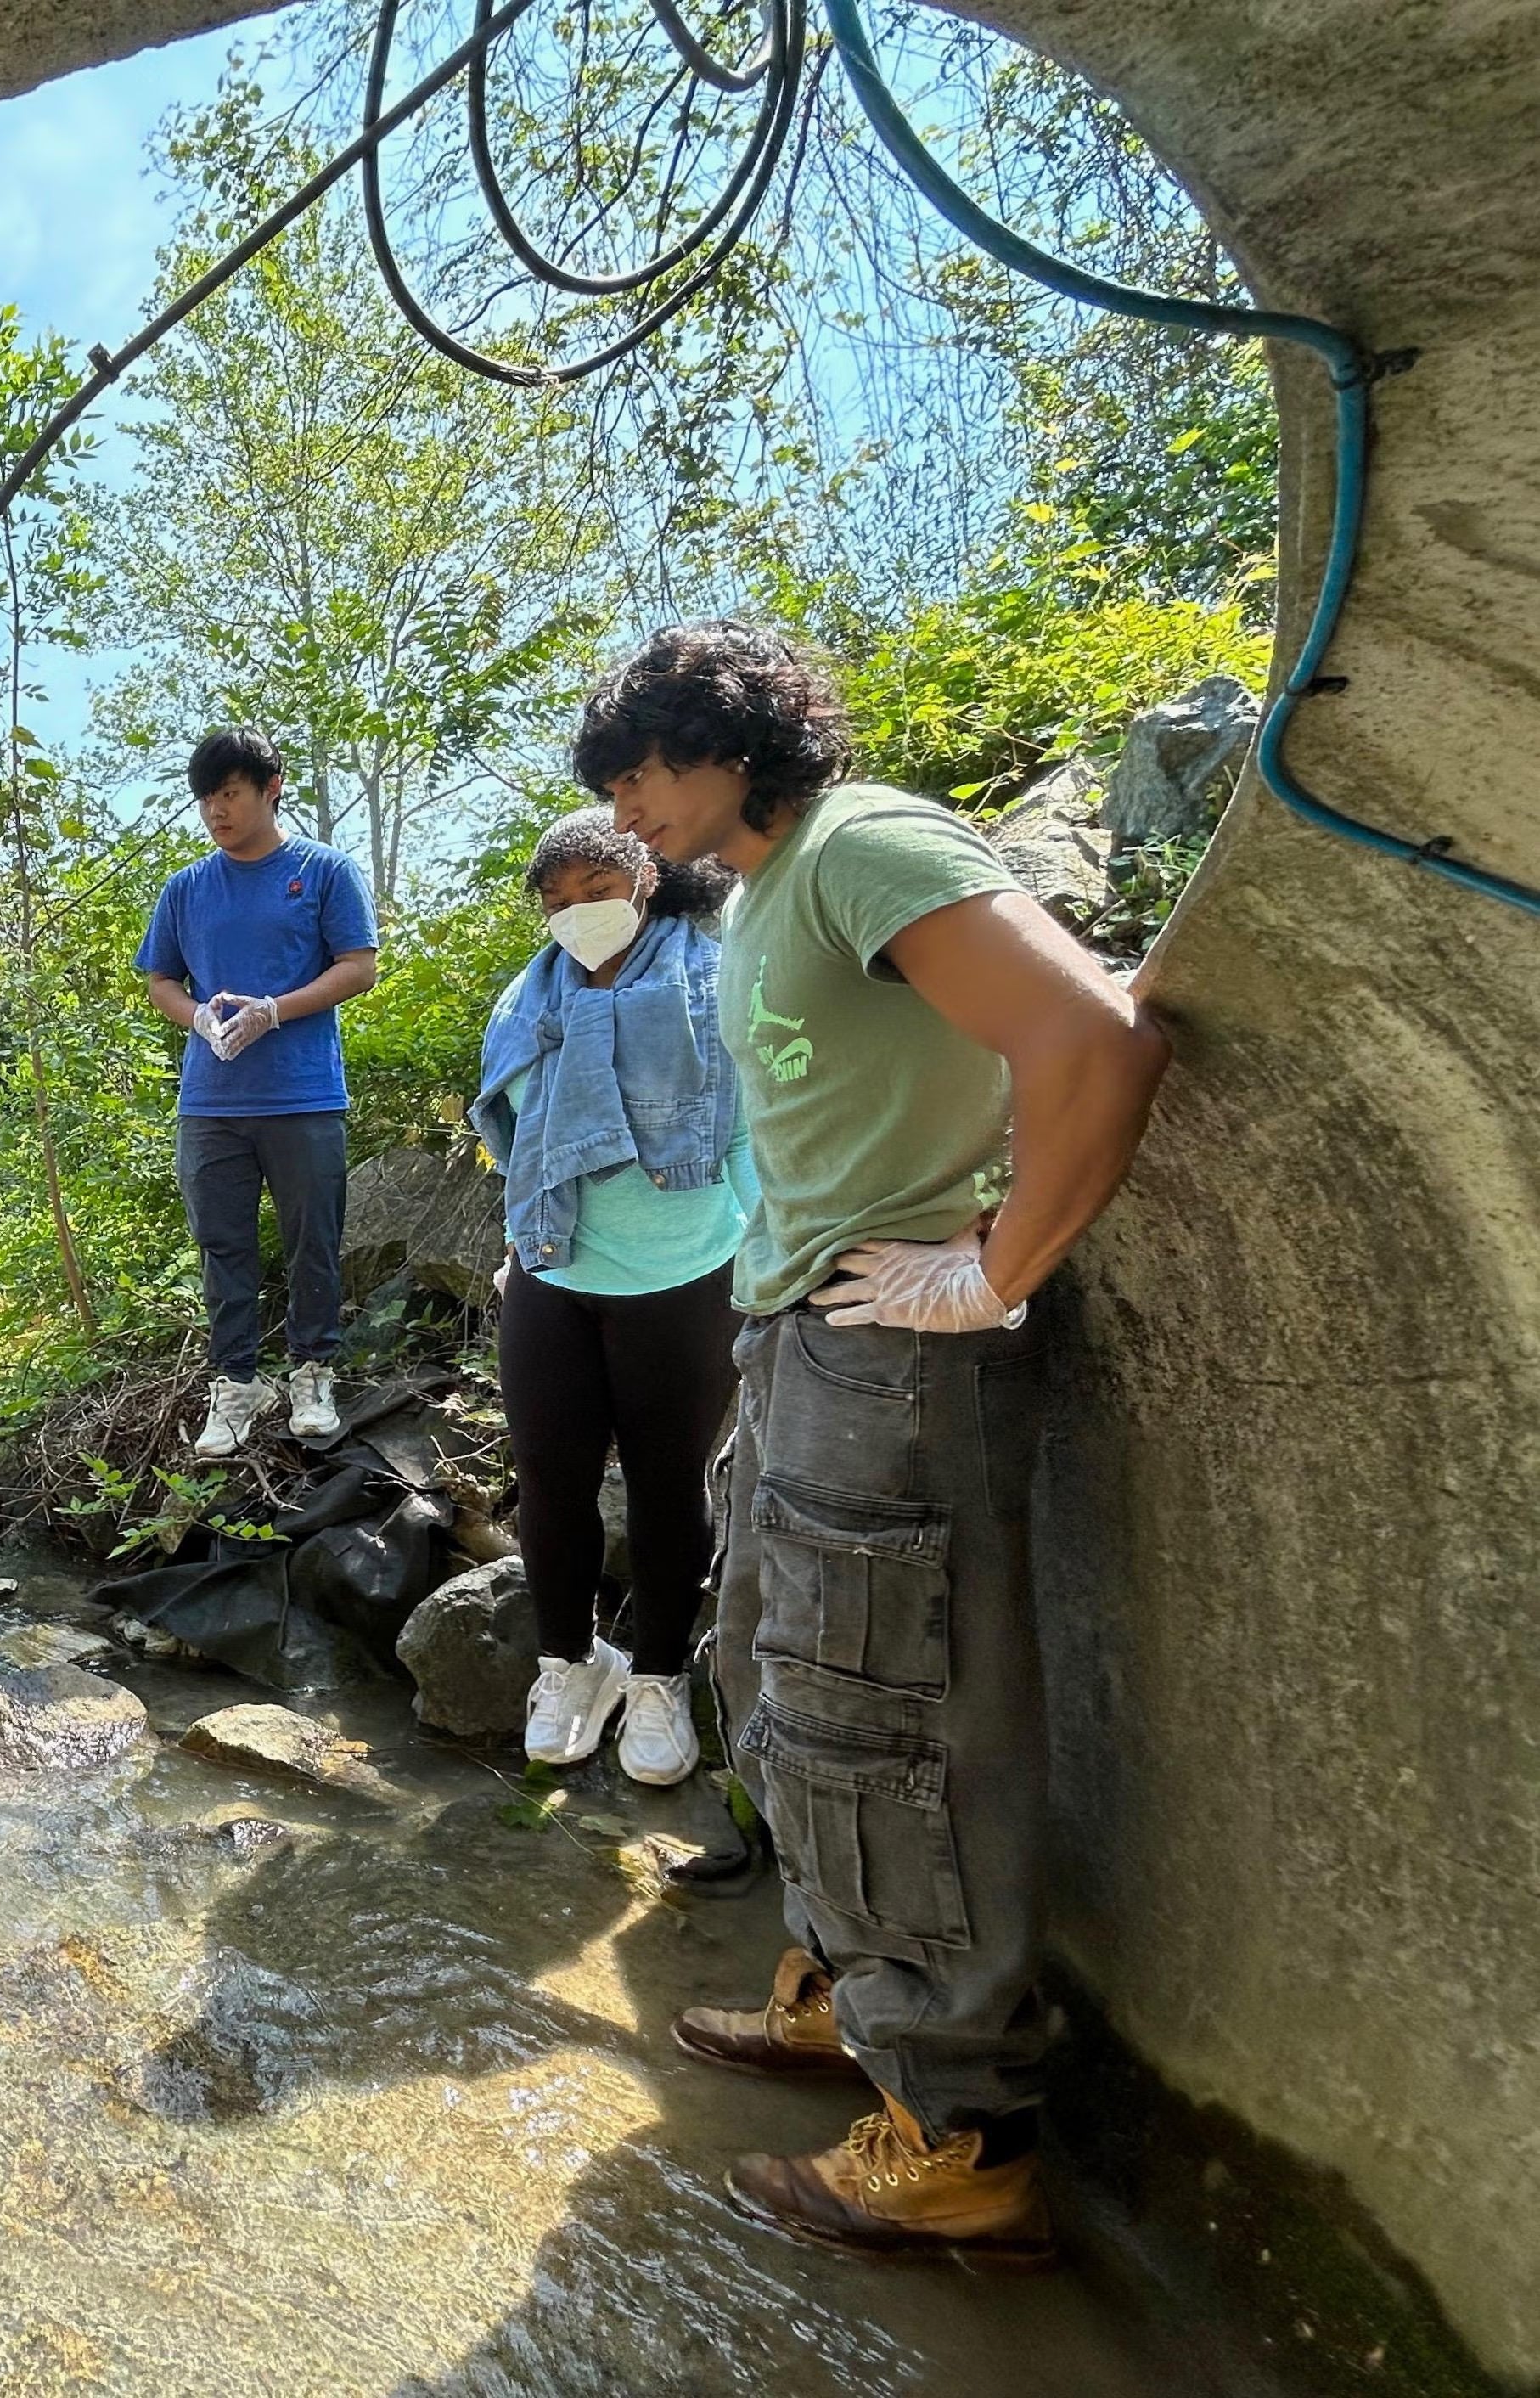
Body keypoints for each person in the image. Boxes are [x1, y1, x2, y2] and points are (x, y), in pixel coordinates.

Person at [579, 621, 1170, 2266]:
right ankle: (850, 1988)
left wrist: (989, 1272)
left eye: (633, 768)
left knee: (898, 1717)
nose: (622, 809)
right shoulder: (759, 895)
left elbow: (1096, 1038)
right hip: (796, 1335)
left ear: (719, 738)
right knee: (781, 1680)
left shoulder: (861, 842)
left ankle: (957, 2132)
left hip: (892, 1350)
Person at [476, 808, 751, 1788]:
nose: (577, 913)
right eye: (557, 901)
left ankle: (660, 1677)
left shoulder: (713, 978)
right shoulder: (527, 997)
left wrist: (759, 1244)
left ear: (649, 879)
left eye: (597, 888)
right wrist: (519, 1241)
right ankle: (569, 1663)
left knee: (665, 1484)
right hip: (551, 1272)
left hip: (683, 1273)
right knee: (548, 1481)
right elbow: (513, 1129)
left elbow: (749, 1124)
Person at [136, 727, 382, 1457]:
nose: (217, 811)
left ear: (270, 789)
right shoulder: (186, 888)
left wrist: (276, 1009)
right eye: (206, 799)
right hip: (210, 1102)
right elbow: (160, 981)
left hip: (303, 1095)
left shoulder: (324, 871)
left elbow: (359, 967)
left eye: (230, 794)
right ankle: (236, 1385)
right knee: (223, 1246)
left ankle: (313, 1374)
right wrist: (201, 1018)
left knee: (314, 1241)